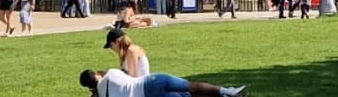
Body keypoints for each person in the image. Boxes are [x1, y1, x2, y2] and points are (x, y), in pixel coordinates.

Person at [80, 68, 245, 97]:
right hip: (153, 79)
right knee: (191, 86)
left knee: (189, 96)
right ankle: (227, 91)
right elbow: (127, 74)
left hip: (148, 95)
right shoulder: (112, 73)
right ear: (96, 73)